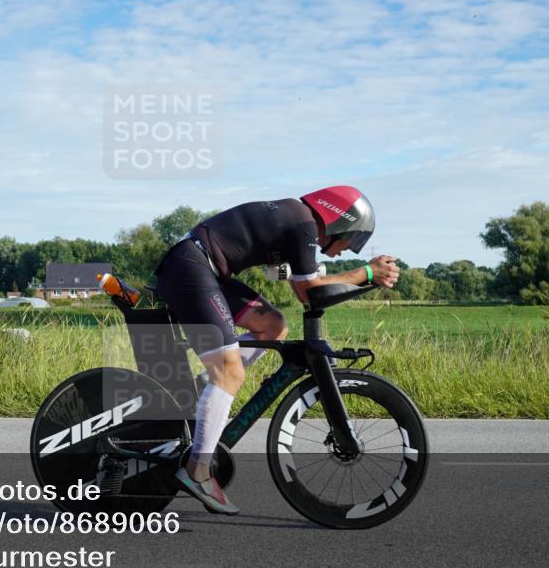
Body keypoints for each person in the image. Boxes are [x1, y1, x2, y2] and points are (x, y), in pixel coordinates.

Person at [152, 186, 399, 515]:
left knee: (273, 325)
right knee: (229, 372)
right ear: (338, 221)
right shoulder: (304, 224)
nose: (343, 251)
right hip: (191, 268)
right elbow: (307, 292)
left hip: (203, 267)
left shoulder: (297, 221)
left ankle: (204, 387)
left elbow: (292, 277)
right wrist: (366, 273)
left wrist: (350, 277)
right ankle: (197, 471)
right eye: (350, 241)